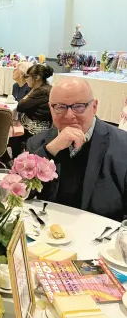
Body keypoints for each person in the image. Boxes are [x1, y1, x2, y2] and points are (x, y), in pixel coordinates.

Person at [27, 77, 127, 222]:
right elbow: (21, 193)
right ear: (51, 108)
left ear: (94, 107)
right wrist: (50, 151)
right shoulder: (38, 144)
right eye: (60, 107)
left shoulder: (122, 146)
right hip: (48, 234)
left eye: (79, 106)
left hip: (103, 237)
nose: (69, 115)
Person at [10, 64, 53, 158]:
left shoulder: (40, 92)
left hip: (35, 129)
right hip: (40, 126)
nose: (26, 79)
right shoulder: (46, 88)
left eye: (27, 76)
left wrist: (31, 91)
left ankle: (15, 159)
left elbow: (20, 106)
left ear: (37, 78)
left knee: (10, 130)